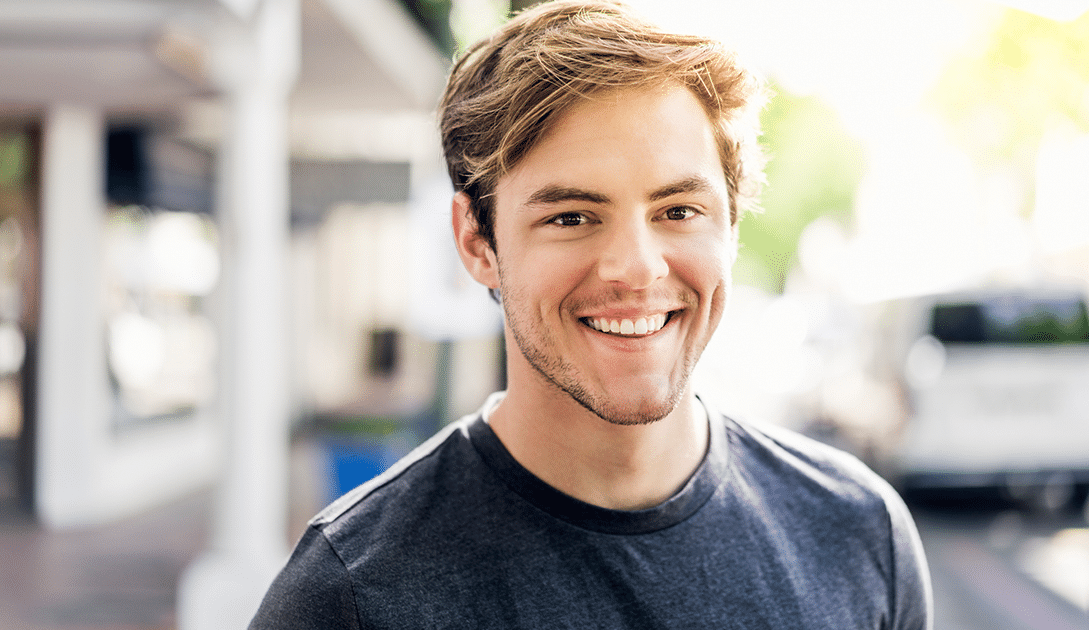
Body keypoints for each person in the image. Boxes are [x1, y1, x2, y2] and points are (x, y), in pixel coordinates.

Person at [249, 1, 933, 627]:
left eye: (678, 211)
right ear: (477, 243)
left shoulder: (860, 533)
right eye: (572, 216)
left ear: (729, 226)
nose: (636, 267)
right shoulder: (349, 597)